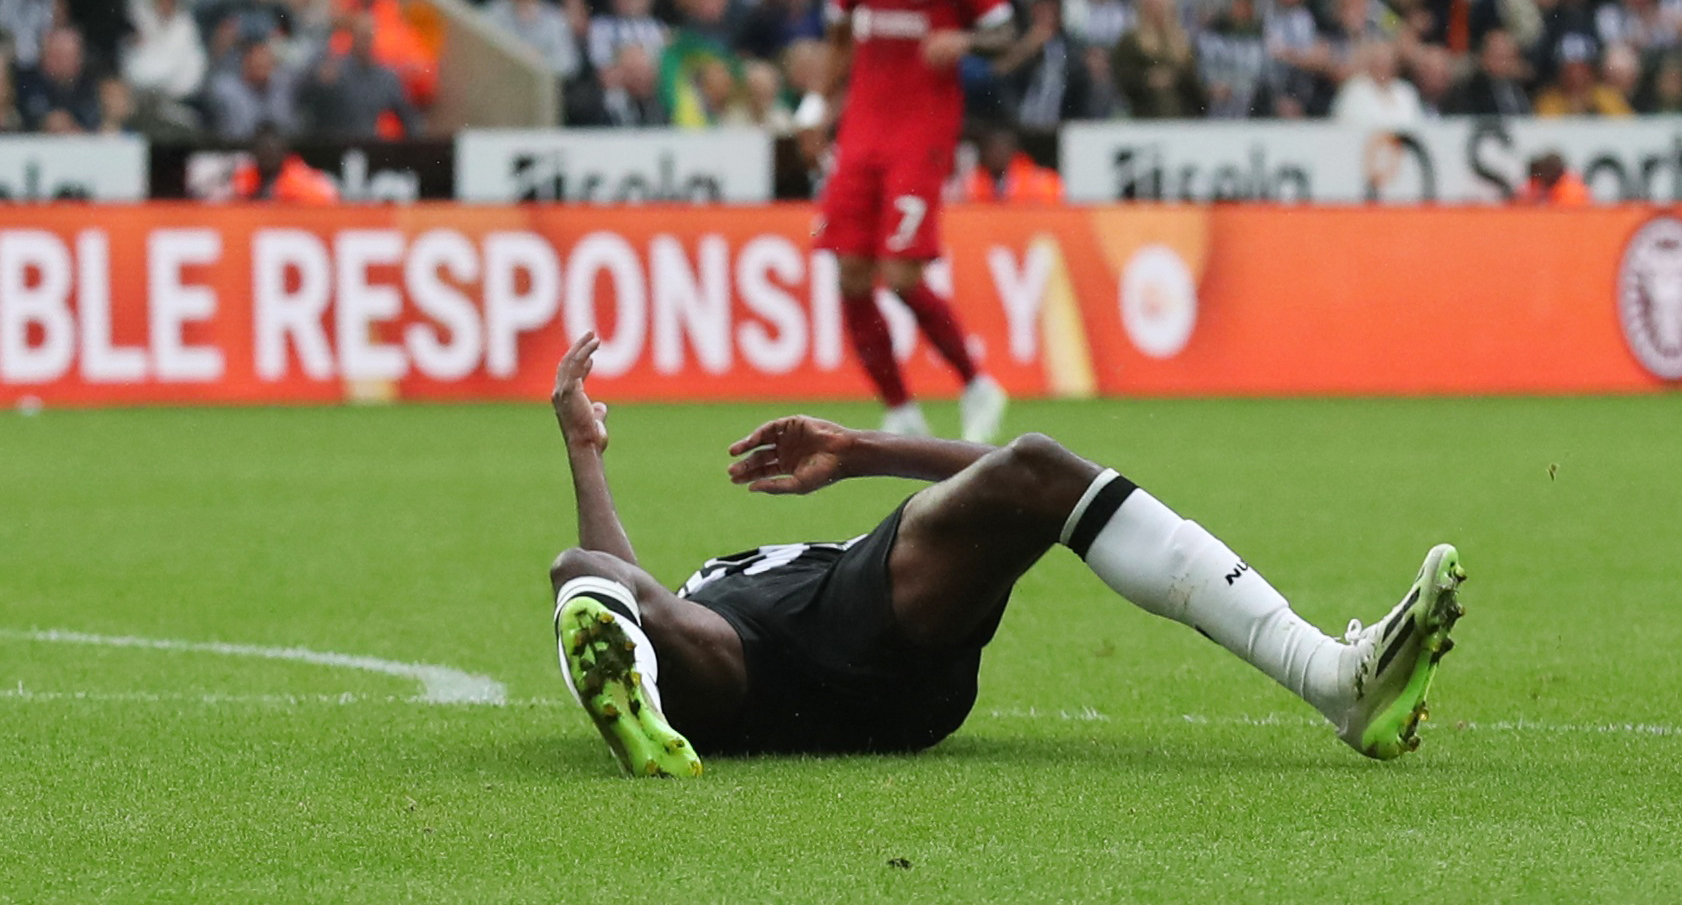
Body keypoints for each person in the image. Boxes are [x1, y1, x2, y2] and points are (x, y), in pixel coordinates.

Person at [542, 332, 1465, 775]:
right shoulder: (703, 602)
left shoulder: (709, 598)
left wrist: (863, 452)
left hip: (826, 640)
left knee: (1034, 472)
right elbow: (630, 587)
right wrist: (585, 451)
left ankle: (633, 700)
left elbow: (1029, 492)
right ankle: (1332, 681)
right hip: (793, 668)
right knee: (590, 576)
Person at [806, 0, 1018, 443]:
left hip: (922, 133)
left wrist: (967, 42)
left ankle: (977, 384)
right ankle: (899, 408)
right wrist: (816, 111)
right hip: (860, 130)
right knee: (849, 273)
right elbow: (840, 40)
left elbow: (1005, 33)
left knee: (900, 274)